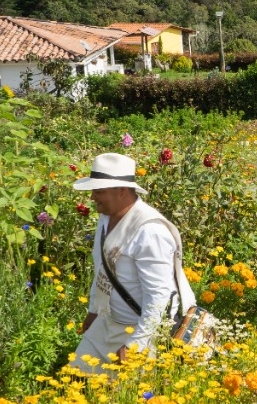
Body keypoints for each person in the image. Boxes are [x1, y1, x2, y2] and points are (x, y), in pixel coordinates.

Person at [71, 153, 196, 375]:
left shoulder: (150, 231)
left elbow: (158, 294)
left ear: (122, 191)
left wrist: (137, 343)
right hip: (108, 320)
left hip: (141, 329)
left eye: (99, 191)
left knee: (123, 402)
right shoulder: (106, 217)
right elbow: (103, 270)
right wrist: (94, 311)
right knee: (75, 378)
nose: (92, 197)